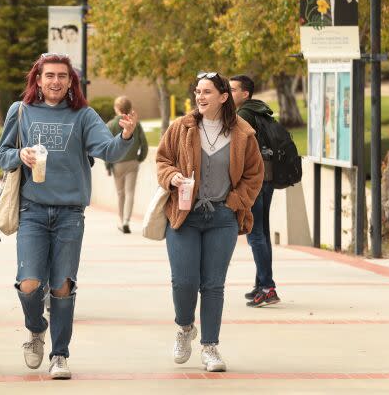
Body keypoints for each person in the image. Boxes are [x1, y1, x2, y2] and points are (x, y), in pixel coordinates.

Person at [0, 53, 138, 380]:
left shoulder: (83, 116)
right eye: (50, 76)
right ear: (38, 80)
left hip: (70, 213)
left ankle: (59, 354)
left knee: (62, 286)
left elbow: (110, 151)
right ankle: (36, 330)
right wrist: (20, 154)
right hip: (31, 210)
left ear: (71, 81)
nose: (56, 81)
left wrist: (126, 136)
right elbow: (1, 156)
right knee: (30, 284)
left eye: (63, 76)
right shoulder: (21, 112)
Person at [156, 71, 263, 372]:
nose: (200, 97)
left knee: (213, 285)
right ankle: (184, 328)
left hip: (221, 217)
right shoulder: (182, 127)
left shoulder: (243, 133)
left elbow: (254, 175)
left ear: (223, 97)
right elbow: (162, 160)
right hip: (184, 215)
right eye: (197, 92)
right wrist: (172, 177)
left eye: (207, 92)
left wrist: (233, 203)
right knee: (184, 281)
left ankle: (210, 347)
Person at [230, 75, 280, 307]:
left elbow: (240, 152)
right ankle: (263, 283)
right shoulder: (260, 110)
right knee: (262, 233)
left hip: (255, 181)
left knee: (255, 233)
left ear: (245, 94)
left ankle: (267, 287)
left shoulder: (243, 116)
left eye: (232, 90)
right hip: (267, 178)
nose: (228, 94)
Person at [106, 96, 149, 233]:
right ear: (129, 108)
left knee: (120, 193)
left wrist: (108, 165)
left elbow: (107, 146)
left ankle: (120, 220)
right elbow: (144, 144)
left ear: (116, 108)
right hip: (132, 162)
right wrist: (140, 158)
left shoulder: (111, 124)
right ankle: (126, 221)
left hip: (117, 163)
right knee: (130, 193)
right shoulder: (134, 123)